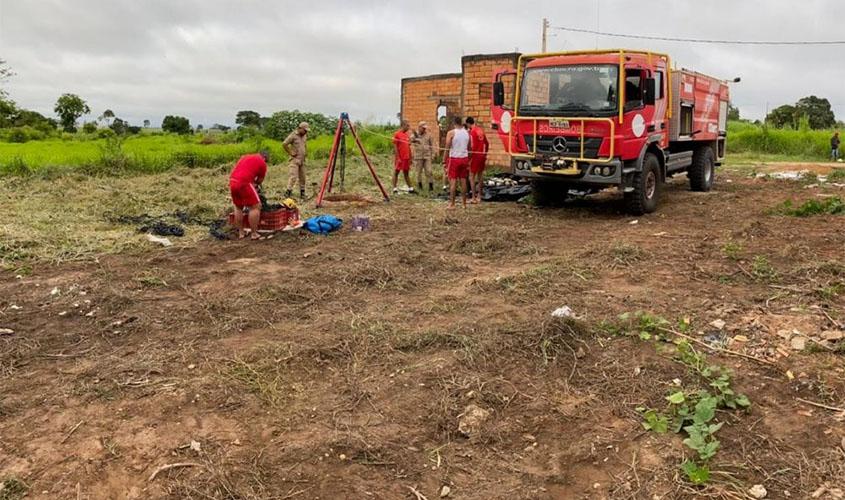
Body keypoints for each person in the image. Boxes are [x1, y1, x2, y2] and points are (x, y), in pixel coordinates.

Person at [229, 151, 270, 240]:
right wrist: (255, 185)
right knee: (255, 206)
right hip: (244, 182)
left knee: (238, 206)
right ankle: (254, 233)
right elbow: (259, 180)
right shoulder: (262, 163)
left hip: (233, 181)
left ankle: (241, 232)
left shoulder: (245, 156)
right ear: (265, 158)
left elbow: (242, 169)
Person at [444, 116, 470, 208]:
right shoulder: (467, 133)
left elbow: (447, 147)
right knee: (463, 181)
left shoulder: (451, 133)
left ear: (454, 123)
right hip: (464, 158)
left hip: (454, 158)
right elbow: (469, 147)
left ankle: (452, 204)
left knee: (453, 181)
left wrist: (444, 160)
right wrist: (468, 159)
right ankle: (464, 204)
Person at [466, 117, 489, 204]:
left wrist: (469, 158)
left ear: (468, 124)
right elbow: (487, 143)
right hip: (482, 155)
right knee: (480, 175)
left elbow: (471, 146)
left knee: (471, 176)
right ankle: (479, 196)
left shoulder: (472, 132)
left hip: (475, 155)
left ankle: (473, 197)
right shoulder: (481, 130)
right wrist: (485, 153)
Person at [284, 122, 309, 199]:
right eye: (305, 130)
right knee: (293, 177)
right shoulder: (293, 135)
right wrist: (291, 152)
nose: (306, 132)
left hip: (302, 160)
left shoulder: (305, 136)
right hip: (295, 160)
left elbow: (305, 145)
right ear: (300, 128)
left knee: (303, 177)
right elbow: (284, 144)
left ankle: (302, 193)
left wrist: (306, 152)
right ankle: (288, 192)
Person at [410, 121, 435, 193]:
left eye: (425, 128)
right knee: (419, 172)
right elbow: (410, 141)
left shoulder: (428, 135)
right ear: (419, 127)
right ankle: (420, 185)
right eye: (423, 128)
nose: (424, 130)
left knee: (429, 171)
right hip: (418, 156)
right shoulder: (414, 135)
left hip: (427, 156)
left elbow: (432, 146)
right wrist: (415, 139)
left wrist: (432, 154)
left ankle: (431, 186)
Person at [392, 120, 415, 193]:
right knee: (396, 172)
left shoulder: (406, 135)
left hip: (406, 158)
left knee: (406, 172)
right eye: (407, 126)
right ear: (403, 125)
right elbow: (395, 147)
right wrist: (398, 157)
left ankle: (410, 188)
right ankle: (394, 188)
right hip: (400, 158)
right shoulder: (397, 134)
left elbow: (408, 147)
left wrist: (410, 158)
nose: (408, 127)